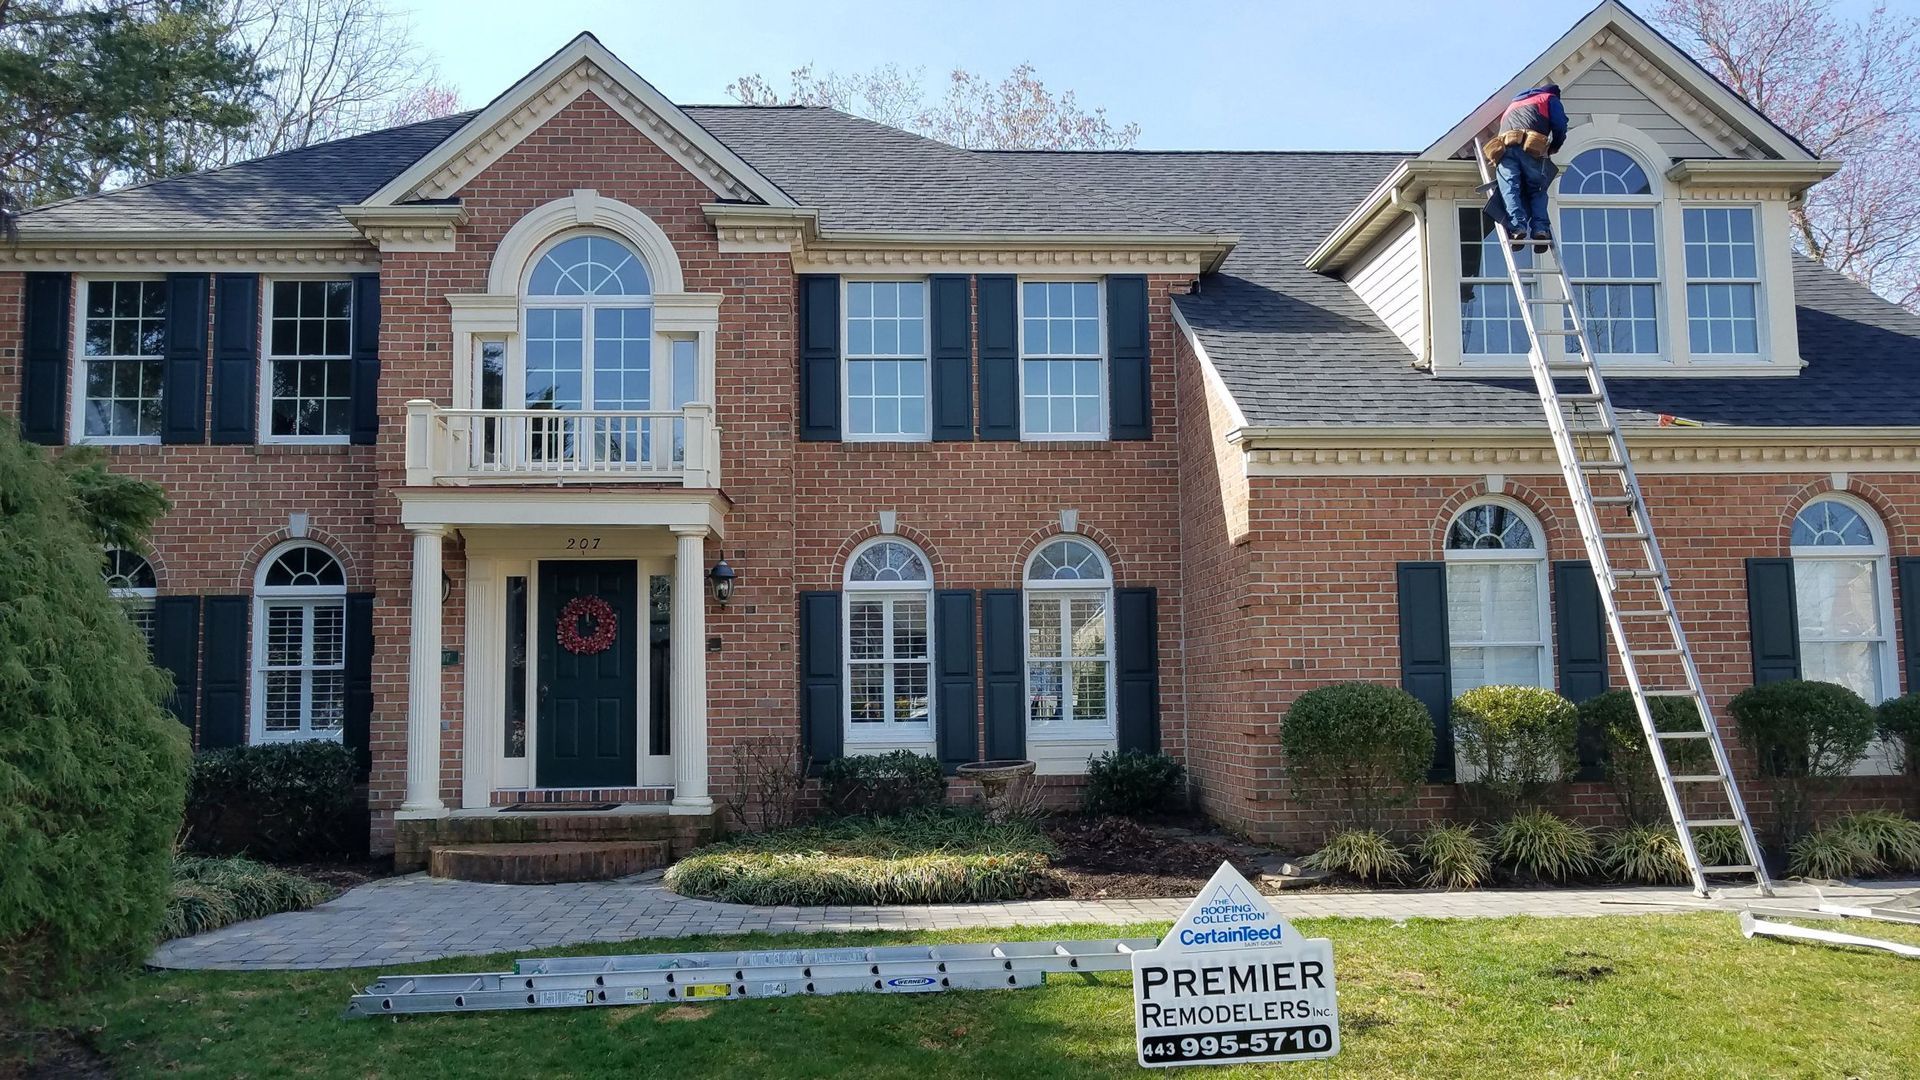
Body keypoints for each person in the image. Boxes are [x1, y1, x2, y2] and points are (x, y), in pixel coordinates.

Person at [1484, 82, 1567, 253]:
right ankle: (1540, 229)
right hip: (1530, 149)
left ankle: (1517, 228)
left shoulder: (1513, 104)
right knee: (1536, 189)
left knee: (1510, 188)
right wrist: (1554, 146)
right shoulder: (1549, 98)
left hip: (1505, 150)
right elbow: (1559, 125)